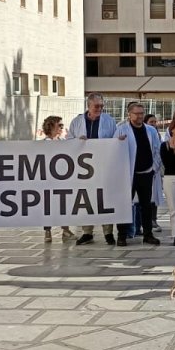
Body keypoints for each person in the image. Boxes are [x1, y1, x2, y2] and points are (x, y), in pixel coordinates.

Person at [110, 101, 162, 246]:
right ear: (129, 114)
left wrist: (154, 168)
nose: (140, 116)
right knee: (125, 204)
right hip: (128, 175)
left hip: (146, 173)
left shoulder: (150, 130)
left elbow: (157, 150)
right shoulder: (121, 130)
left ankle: (148, 234)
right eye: (136, 113)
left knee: (146, 205)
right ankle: (122, 235)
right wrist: (118, 142)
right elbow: (113, 150)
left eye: (141, 113)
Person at [69, 93, 118, 245]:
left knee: (105, 198)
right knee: (86, 199)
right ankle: (87, 232)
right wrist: (77, 141)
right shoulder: (77, 122)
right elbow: (68, 141)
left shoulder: (109, 121)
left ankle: (108, 232)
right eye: (97, 106)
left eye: (102, 106)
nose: (100, 109)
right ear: (88, 105)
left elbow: (114, 140)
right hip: (84, 167)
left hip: (103, 165)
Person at [39, 116, 76, 242]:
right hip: (47, 180)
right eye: (59, 125)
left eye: (62, 125)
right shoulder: (43, 144)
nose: (61, 127)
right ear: (51, 126)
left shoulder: (63, 142)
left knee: (63, 204)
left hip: (62, 179)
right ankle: (47, 231)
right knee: (48, 205)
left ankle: (65, 230)